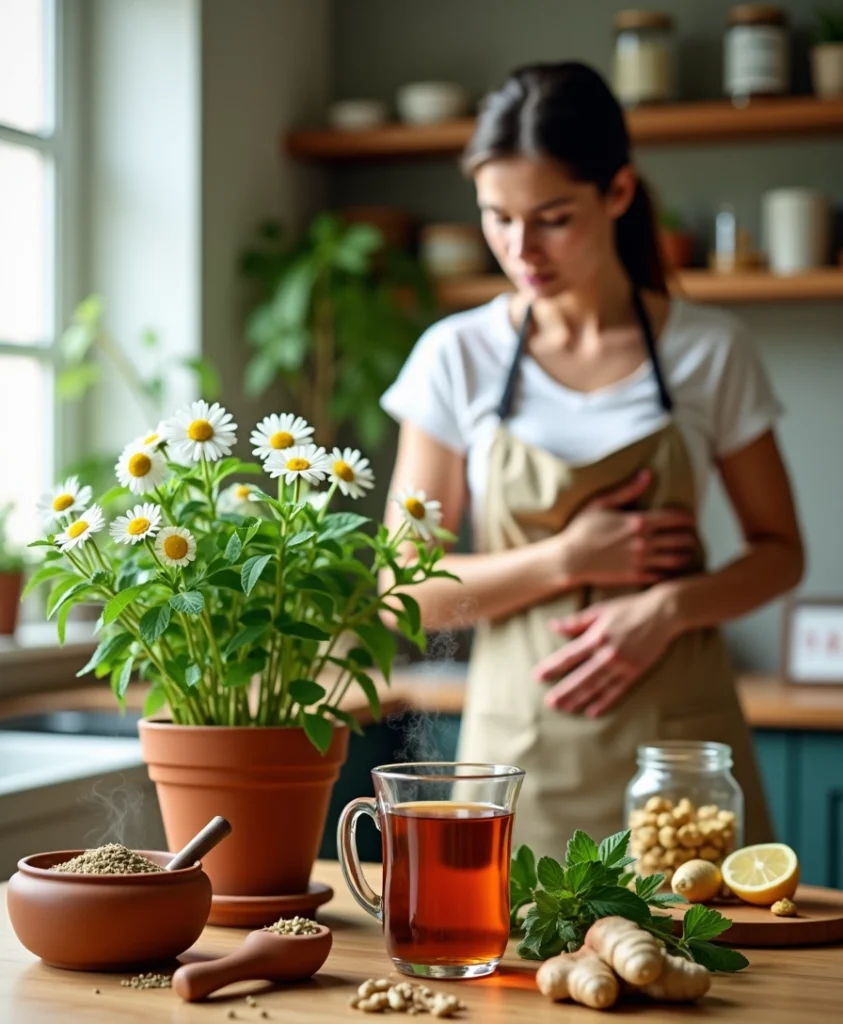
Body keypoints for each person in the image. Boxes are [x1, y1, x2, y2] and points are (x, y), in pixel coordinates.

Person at [379, 62, 804, 858]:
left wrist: (667, 609)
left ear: (617, 192)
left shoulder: (710, 351)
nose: (520, 249)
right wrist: (566, 558)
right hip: (518, 754)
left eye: (551, 218)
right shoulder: (454, 357)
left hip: (678, 757)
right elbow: (406, 595)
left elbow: (781, 555)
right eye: (497, 218)